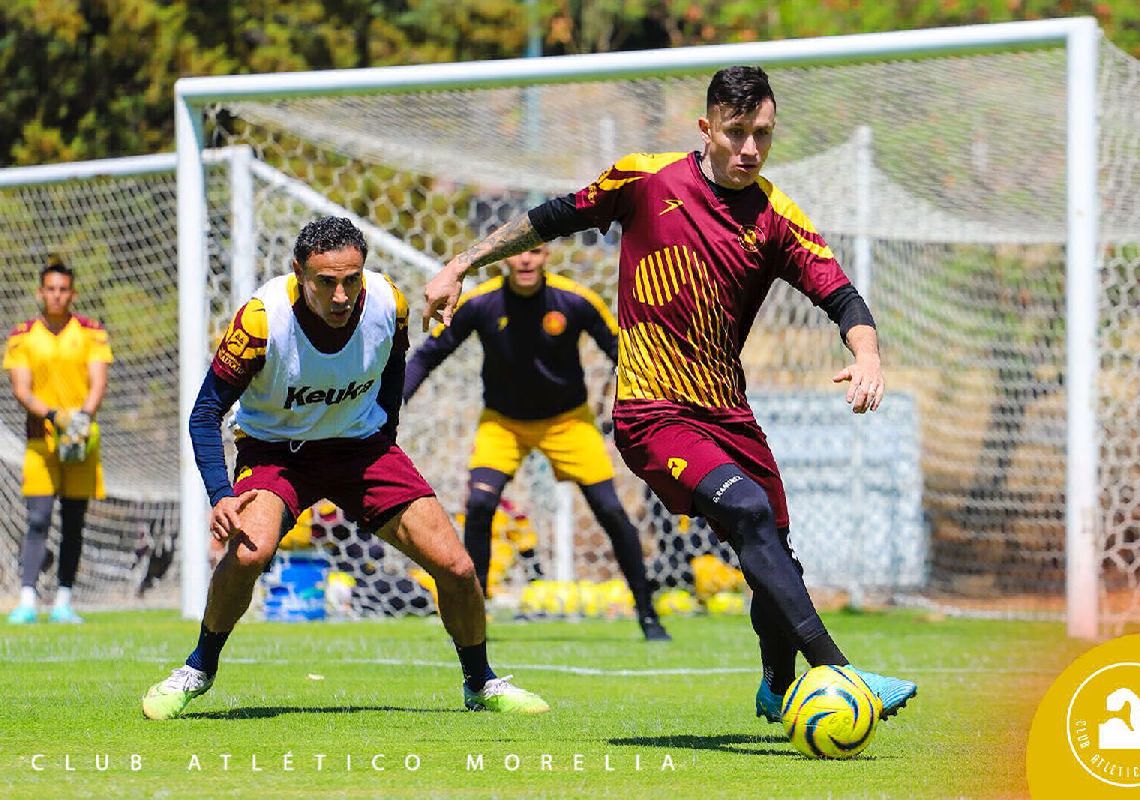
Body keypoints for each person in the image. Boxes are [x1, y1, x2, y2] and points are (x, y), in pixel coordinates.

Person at [423, 66, 917, 722]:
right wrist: (459, 265)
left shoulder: (776, 217)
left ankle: (776, 685)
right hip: (651, 412)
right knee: (745, 513)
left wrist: (867, 354)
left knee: (774, 552)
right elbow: (547, 219)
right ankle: (841, 673)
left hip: (729, 414)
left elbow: (841, 295)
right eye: (737, 133)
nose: (750, 149)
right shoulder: (645, 179)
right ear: (706, 128)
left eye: (762, 135)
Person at [141, 216, 548, 720]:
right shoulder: (260, 320)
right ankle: (198, 669)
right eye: (326, 282)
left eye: (351, 279)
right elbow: (205, 414)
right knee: (249, 555)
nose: (341, 295)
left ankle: (480, 682)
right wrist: (221, 494)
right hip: (276, 452)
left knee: (458, 567)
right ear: (299, 273)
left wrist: (385, 440)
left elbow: (394, 368)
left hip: (361, 448)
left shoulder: (388, 302)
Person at [403, 244, 670, 641]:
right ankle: (476, 615)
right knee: (479, 505)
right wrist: (394, 402)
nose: (526, 260)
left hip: (569, 423)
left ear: (547, 257)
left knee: (611, 510)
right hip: (503, 425)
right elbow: (429, 355)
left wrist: (649, 400)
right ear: (505, 259)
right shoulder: (480, 304)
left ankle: (648, 616)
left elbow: (621, 352)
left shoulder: (575, 300)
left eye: (536, 251)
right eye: (518, 254)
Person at [4, 256, 112, 625]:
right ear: (40, 292)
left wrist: (80, 418)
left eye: (63, 289)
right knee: (38, 518)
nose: (57, 296)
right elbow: (21, 389)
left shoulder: (91, 332)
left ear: (72, 293)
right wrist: (54, 416)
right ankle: (28, 598)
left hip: (81, 441)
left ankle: (64, 600)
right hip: (40, 440)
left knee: (74, 520)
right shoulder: (22, 336)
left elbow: (98, 381)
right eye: (50, 289)